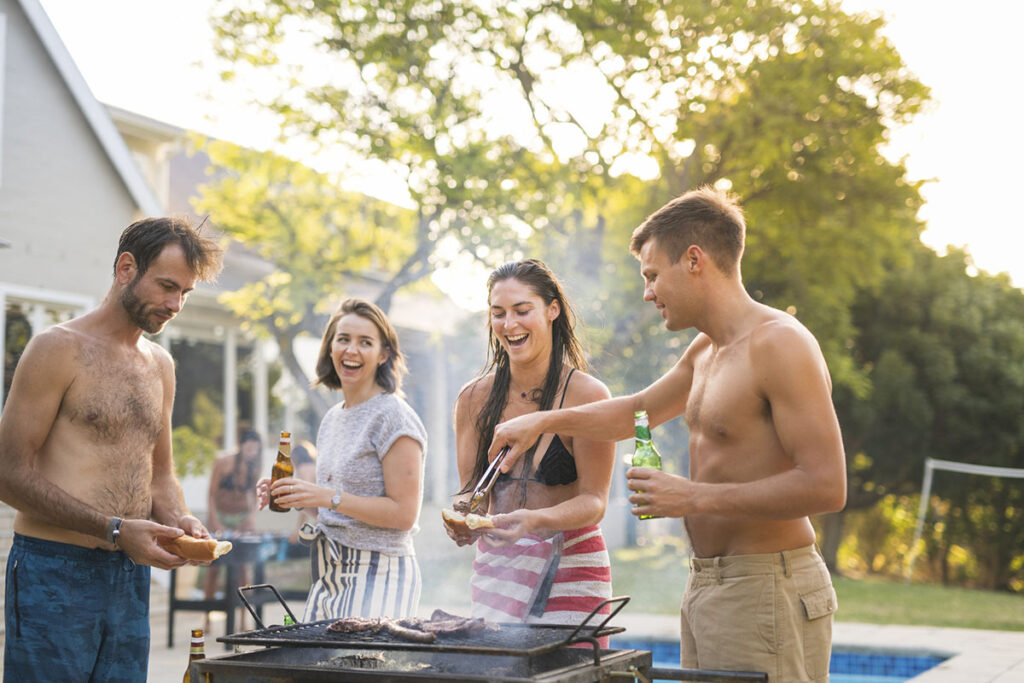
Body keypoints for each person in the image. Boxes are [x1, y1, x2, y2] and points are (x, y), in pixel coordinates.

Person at [489, 188, 847, 682]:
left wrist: (693, 497)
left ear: (694, 260)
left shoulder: (779, 344)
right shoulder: (706, 349)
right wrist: (543, 422)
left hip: (769, 586)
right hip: (708, 585)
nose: (648, 292)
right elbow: (634, 413)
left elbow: (827, 486)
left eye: (653, 275)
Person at [0, 217, 223, 681]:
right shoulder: (56, 349)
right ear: (126, 269)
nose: (175, 304)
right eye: (166, 286)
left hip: (128, 576)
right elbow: (7, 472)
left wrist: (179, 520)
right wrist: (116, 528)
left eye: (184, 293)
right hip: (53, 570)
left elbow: (159, 475)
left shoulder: (160, 365)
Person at [444, 259, 615, 632]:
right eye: (498, 313)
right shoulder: (473, 399)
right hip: (498, 571)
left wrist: (536, 520)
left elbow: (594, 501)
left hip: (572, 568)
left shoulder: (588, 394)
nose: (510, 325)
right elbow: (473, 494)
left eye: (523, 311)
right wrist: (463, 518)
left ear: (553, 310)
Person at [256, 298, 427, 621]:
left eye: (366, 342)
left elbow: (404, 514)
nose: (352, 350)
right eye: (343, 339)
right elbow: (336, 509)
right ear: (330, 347)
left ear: (383, 354)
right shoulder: (333, 418)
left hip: (380, 575)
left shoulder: (393, 417)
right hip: (329, 573)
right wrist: (298, 496)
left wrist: (327, 497)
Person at [203, 428, 262, 631]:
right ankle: (207, 618)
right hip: (219, 516)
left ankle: (244, 620)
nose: (252, 451)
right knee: (214, 567)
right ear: (242, 446)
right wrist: (214, 520)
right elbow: (211, 493)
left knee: (244, 569)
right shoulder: (224, 462)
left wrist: (251, 518)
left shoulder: (254, 466)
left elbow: (255, 496)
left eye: (256, 448)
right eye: (250, 447)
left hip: (241, 519)